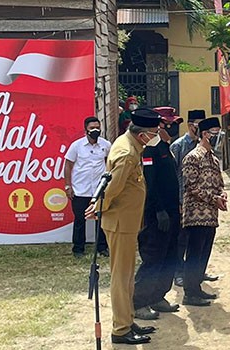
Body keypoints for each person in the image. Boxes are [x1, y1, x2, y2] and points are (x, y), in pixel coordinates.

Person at [85, 108, 161, 345]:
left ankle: (127, 319)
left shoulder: (132, 144)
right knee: (122, 277)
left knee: (127, 276)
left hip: (126, 222)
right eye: (154, 132)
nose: (157, 136)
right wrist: (98, 207)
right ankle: (120, 329)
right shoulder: (127, 153)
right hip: (120, 223)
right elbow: (113, 187)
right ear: (142, 134)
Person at [132, 108, 183, 320]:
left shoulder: (164, 146)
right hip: (156, 215)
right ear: (159, 126)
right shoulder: (149, 150)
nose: (174, 128)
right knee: (153, 258)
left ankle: (158, 296)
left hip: (172, 211)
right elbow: (149, 183)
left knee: (169, 256)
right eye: (170, 124)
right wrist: (159, 210)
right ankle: (139, 302)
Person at [181, 117, 228, 307]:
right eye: (215, 133)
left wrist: (222, 195)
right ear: (205, 134)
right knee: (194, 255)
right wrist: (213, 198)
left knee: (204, 254)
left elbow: (220, 183)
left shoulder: (214, 159)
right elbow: (190, 186)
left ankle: (197, 288)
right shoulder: (193, 157)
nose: (218, 137)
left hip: (211, 216)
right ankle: (189, 293)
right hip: (195, 215)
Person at [171, 110, 211, 287]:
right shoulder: (178, 146)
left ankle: (197, 272)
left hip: (201, 203)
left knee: (198, 240)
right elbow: (173, 176)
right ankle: (179, 272)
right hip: (183, 201)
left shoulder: (205, 146)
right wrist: (178, 201)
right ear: (189, 125)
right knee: (182, 239)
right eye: (197, 124)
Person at [64, 116, 111, 258]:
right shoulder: (77, 146)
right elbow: (68, 165)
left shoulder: (106, 145)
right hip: (80, 189)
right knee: (80, 219)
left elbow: (109, 163)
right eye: (92, 128)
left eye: (97, 128)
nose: (95, 130)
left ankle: (102, 247)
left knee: (100, 219)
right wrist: (68, 186)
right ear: (86, 130)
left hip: (99, 189)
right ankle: (78, 249)